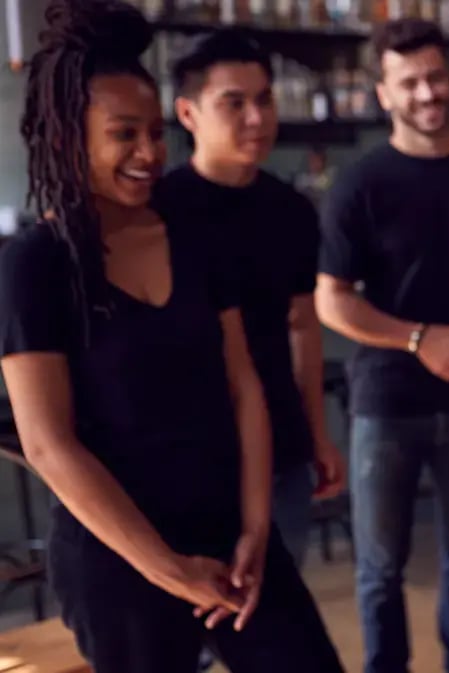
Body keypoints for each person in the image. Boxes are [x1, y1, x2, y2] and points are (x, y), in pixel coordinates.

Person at [0, 2, 344, 672]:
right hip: (118, 554)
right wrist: (168, 569)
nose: (150, 154)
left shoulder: (194, 237)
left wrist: (252, 528)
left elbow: (244, 388)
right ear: (70, 136)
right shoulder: (36, 263)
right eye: (124, 134)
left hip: (229, 528)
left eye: (156, 133)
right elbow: (47, 442)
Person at [314, 17, 449, 673]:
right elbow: (333, 298)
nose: (427, 92)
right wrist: (419, 339)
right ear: (384, 94)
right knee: (380, 566)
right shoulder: (360, 182)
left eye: (435, 76)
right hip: (385, 401)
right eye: (409, 82)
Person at [154, 29, 347, 569]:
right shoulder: (160, 210)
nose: (257, 118)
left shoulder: (291, 211)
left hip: (280, 444)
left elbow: (303, 327)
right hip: (187, 449)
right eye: (233, 103)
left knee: (277, 614)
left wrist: (318, 434)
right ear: (188, 113)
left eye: (263, 99)